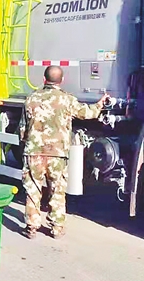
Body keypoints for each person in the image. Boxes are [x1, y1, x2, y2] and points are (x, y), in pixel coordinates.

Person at [20, 66, 110, 239]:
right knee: (57, 190)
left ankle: (31, 227)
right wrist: (100, 103)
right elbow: (87, 113)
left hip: (34, 153)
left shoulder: (31, 99)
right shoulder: (66, 100)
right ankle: (56, 228)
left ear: (44, 79)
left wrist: (28, 144)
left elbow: (23, 130)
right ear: (61, 80)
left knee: (33, 189)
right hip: (58, 154)